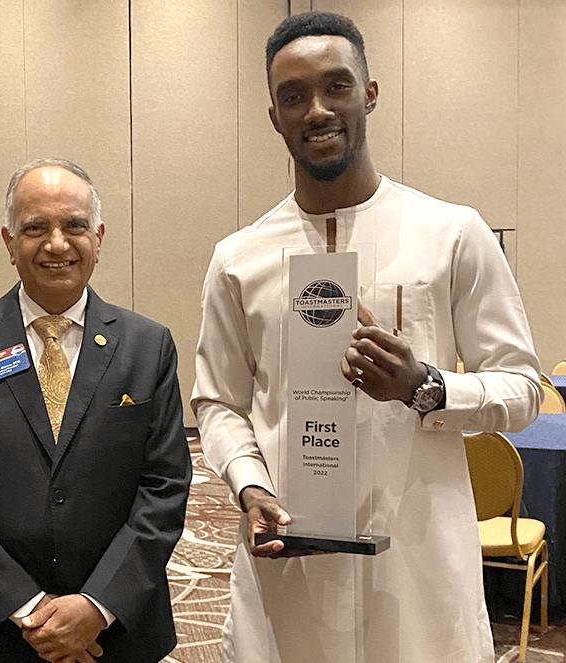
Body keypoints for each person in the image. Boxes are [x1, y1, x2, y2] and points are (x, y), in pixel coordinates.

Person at [191, 11, 542, 663]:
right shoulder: (239, 259)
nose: (317, 109)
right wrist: (249, 484)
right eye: (293, 96)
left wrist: (427, 386)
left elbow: (522, 389)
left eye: (337, 86)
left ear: (370, 93)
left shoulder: (451, 235)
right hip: (288, 566)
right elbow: (217, 402)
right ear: (274, 116)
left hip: (415, 569)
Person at [0, 158, 192, 663]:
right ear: (9, 242)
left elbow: (165, 486)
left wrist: (96, 606)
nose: (57, 243)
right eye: (35, 227)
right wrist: (28, 607)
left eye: (75, 226)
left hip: (117, 630)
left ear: (99, 238)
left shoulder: (148, 346)